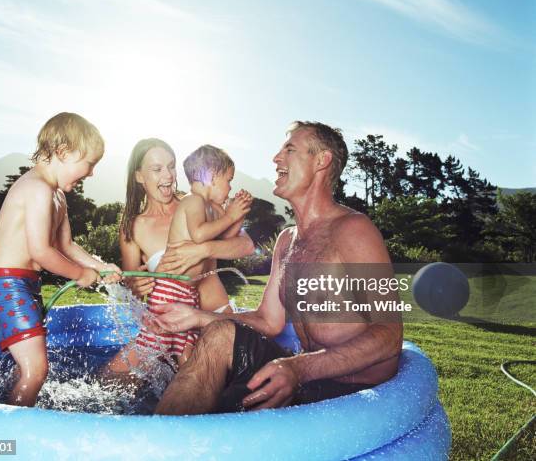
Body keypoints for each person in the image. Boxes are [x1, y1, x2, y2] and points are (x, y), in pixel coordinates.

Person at [149, 121, 403, 414]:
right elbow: (268, 321)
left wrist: (299, 368)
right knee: (218, 333)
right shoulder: (287, 241)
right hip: (305, 376)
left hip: (349, 389)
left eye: (290, 149)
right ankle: (161, 439)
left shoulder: (353, 229)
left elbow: (389, 335)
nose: (276, 158)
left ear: (322, 161)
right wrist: (197, 316)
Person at [0, 112, 121, 407]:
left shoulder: (56, 194)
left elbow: (66, 244)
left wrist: (100, 266)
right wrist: (79, 274)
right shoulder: (36, 189)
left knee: (27, 368)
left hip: (24, 287)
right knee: (37, 371)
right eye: (90, 163)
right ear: (63, 153)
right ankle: (11, 434)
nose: (92, 173)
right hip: (8, 287)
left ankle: (4, 407)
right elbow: (41, 251)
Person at [101, 139, 254, 375]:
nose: (168, 175)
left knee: (217, 380)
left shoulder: (196, 203)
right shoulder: (133, 227)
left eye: (171, 166)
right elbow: (132, 285)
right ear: (139, 176)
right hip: (169, 323)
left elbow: (245, 245)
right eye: (157, 169)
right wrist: (135, 285)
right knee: (110, 377)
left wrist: (204, 250)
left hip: (214, 313)